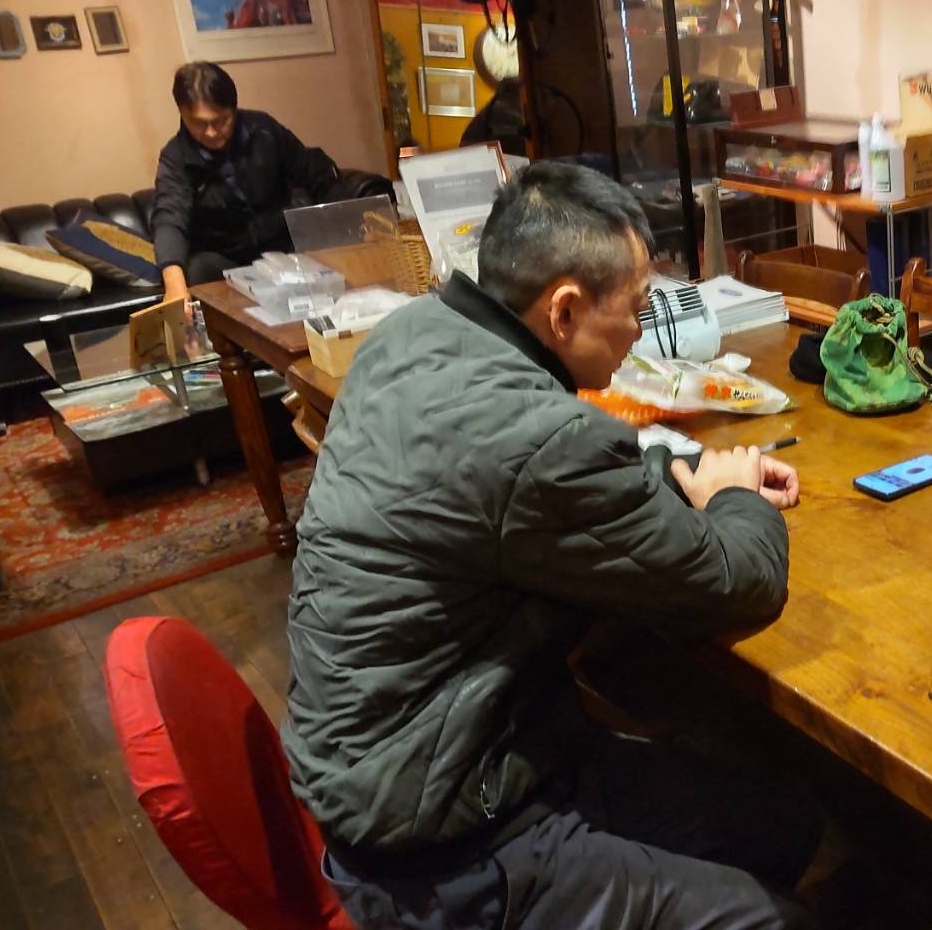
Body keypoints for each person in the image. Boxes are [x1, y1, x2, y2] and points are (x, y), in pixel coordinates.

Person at [282, 161, 821, 929]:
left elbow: (535, 496)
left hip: (396, 761)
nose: (641, 329)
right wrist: (734, 495)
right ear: (564, 310)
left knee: (779, 821)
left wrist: (681, 474)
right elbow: (741, 585)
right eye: (636, 307)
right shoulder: (542, 439)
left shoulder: (412, 334)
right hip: (447, 843)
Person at [151, 62, 341, 305]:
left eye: (221, 121)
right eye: (199, 123)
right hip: (226, 259)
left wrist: (351, 225)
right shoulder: (175, 157)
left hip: (283, 246)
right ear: (182, 113)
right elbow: (169, 218)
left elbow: (314, 173)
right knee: (199, 268)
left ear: (234, 108)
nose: (211, 132)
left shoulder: (264, 130)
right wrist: (175, 289)